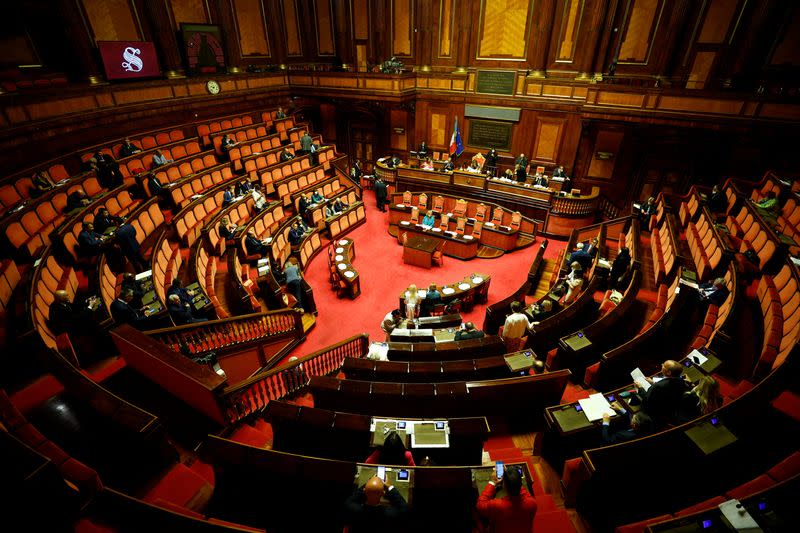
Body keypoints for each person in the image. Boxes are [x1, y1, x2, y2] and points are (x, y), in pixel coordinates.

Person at [476, 464, 537, 533]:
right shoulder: (532, 503)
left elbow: (480, 504)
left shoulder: (497, 505)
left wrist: (493, 482)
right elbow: (523, 492)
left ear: (504, 485)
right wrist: (513, 479)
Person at [344, 475, 408, 533]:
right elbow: (404, 507)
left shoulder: (352, 509)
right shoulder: (390, 514)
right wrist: (390, 486)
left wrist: (369, 483)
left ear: (364, 491)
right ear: (383, 493)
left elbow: (351, 499)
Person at [634, 359, 690, 426]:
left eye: (664, 365)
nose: (662, 365)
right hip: (671, 410)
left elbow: (647, 399)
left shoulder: (658, 386)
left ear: (669, 372)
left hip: (656, 415)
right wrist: (653, 382)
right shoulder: (682, 381)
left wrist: (640, 388)